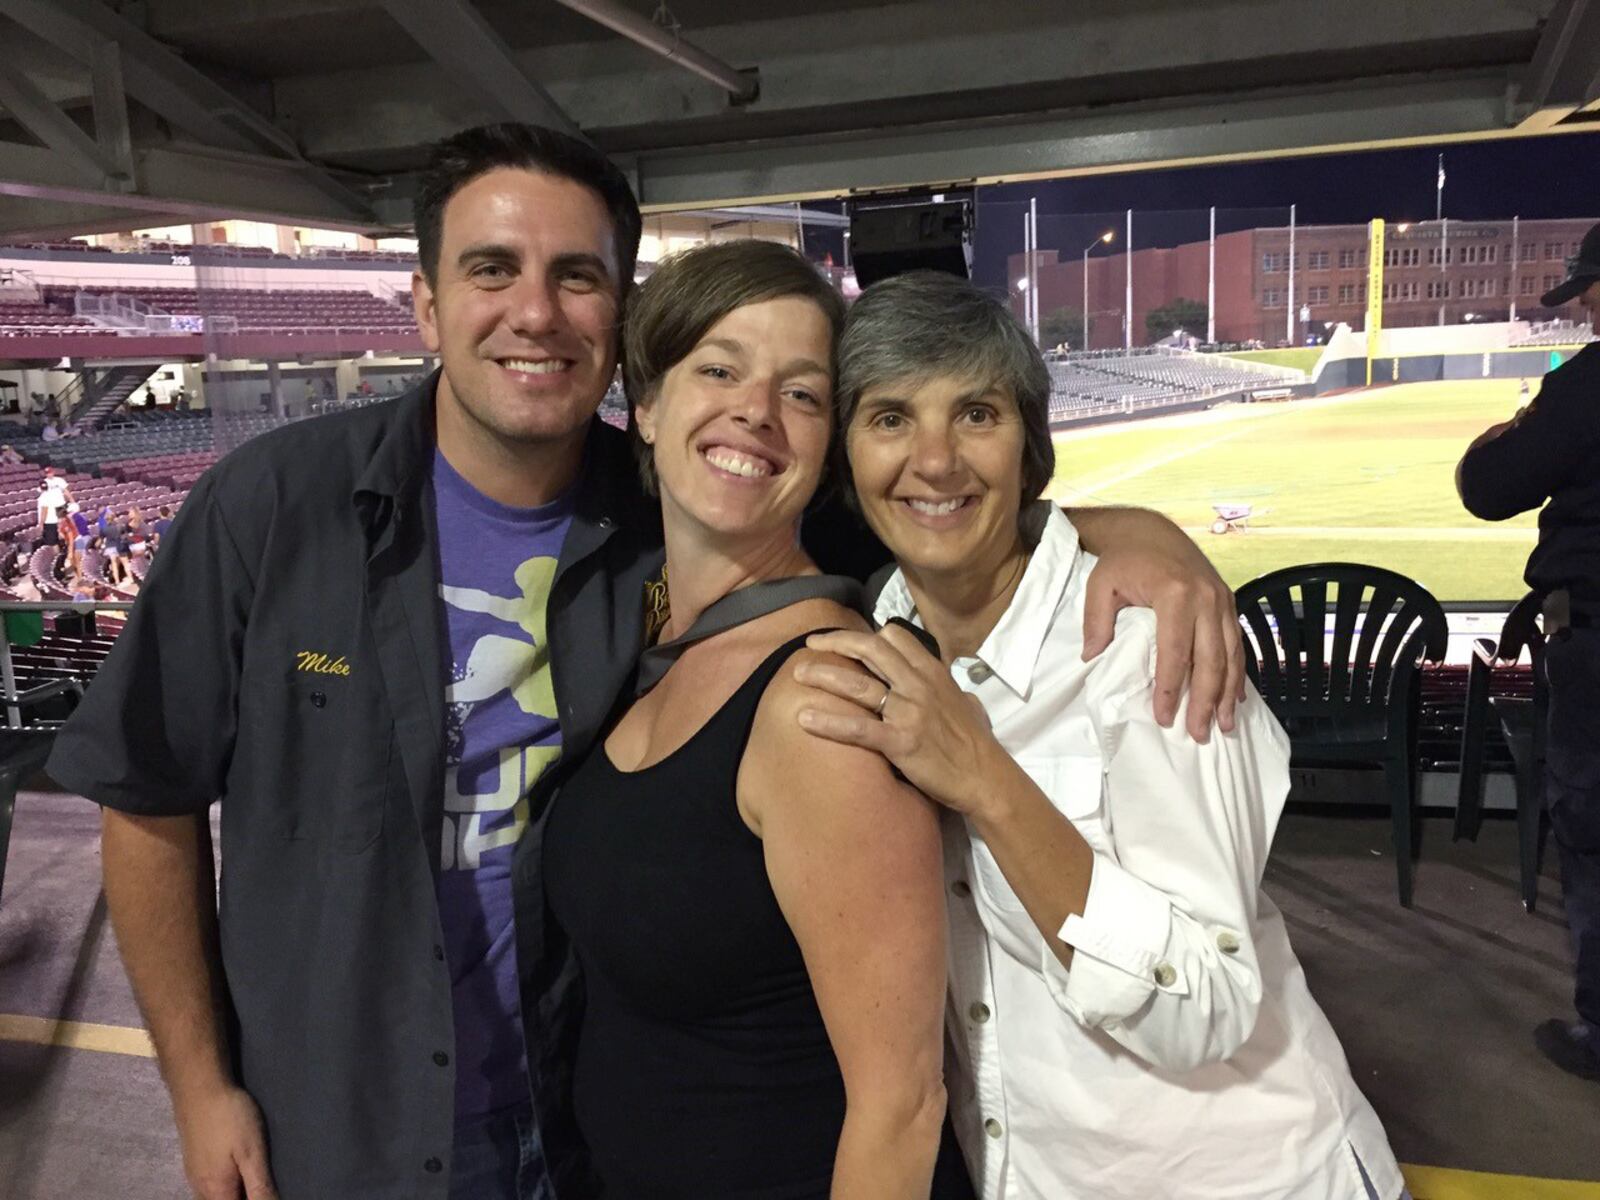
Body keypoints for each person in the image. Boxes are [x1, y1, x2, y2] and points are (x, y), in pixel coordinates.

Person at [48, 122, 1243, 1200]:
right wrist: (199, 1090)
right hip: (349, 1124)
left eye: (577, 277)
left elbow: (940, 511)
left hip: (571, 1117)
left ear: (617, 327)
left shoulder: (684, 505)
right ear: (423, 306)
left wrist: (1123, 535)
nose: (535, 311)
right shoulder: (274, 507)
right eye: (492, 270)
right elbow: (147, 799)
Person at [793, 270, 1405, 1199]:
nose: (936, 461)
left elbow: (1204, 1005)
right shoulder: (874, 635)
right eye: (889, 419)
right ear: (846, 458)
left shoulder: (1149, 647)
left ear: (1030, 451)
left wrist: (986, 779)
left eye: (977, 415)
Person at [543, 241, 971, 1198]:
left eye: (804, 394)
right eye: (719, 368)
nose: (756, 411)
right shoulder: (648, 644)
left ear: (826, 452)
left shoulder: (825, 700)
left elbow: (901, 1110)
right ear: (646, 409)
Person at [1457, 221, 1600, 1084]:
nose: (1583, 304)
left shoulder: (1585, 386)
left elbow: (1492, 488)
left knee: (1592, 835)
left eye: (1590, 287)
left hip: (1596, 647)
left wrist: (1502, 434)